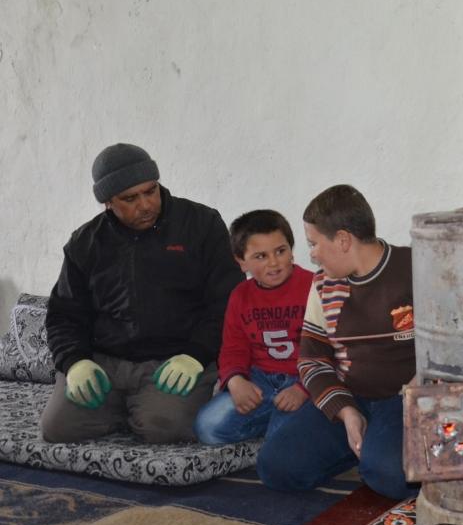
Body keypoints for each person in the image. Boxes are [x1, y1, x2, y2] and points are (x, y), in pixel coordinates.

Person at [42, 143, 244, 444]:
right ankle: (134, 407)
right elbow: (63, 315)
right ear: (107, 202)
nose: (146, 204)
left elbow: (227, 301)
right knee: (58, 428)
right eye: (130, 198)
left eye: (151, 191)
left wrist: (197, 355)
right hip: (105, 363)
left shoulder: (202, 224)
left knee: (163, 428)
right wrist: (74, 362)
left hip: (176, 361)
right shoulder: (85, 243)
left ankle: (145, 407)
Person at [255, 185, 417, 500]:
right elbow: (312, 360)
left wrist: (416, 394)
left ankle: (374, 453)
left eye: (314, 243)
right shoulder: (324, 284)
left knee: (392, 477)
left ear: (343, 240)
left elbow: (449, 347)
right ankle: (364, 445)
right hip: (349, 396)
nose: (312, 254)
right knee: (276, 467)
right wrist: (346, 412)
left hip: (404, 400)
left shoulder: (414, 268)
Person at [193, 210, 313, 444]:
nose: (274, 262)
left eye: (280, 251)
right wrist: (236, 381)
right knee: (207, 426)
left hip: (304, 379)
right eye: (260, 256)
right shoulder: (240, 296)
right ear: (241, 262)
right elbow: (233, 348)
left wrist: (303, 389)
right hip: (260, 382)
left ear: (291, 250)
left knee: (286, 443)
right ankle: (275, 425)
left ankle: (281, 430)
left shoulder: (314, 287)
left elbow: (331, 348)